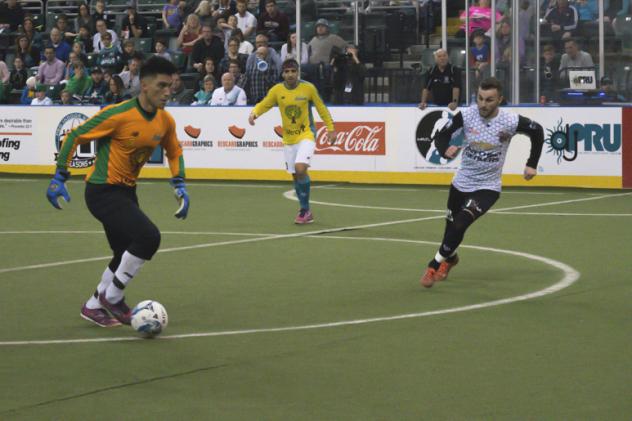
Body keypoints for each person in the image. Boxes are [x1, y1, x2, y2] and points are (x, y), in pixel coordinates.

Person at [45, 56, 189, 327]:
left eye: (171, 86)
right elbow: (75, 135)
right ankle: (113, 297)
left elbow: (174, 150)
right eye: (162, 85)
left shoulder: (165, 120)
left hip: (127, 192)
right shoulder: (118, 114)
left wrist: (179, 182)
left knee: (124, 251)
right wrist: (60, 175)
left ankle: (92, 306)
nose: (168, 92)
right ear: (144, 86)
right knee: (149, 237)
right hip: (102, 191)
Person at [420, 77, 544, 288]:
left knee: (461, 223)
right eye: (480, 98)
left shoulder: (510, 121)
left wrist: (532, 163)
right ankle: (451, 259)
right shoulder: (467, 115)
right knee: (452, 229)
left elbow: (537, 131)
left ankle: (433, 265)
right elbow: (441, 136)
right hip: (461, 182)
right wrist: (444, 149)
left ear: (500, 100)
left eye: (489, 100)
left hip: (488, 187)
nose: (483, 104)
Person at [248, 59, 336, 224]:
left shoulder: (308, 88)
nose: (290, 75)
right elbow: (265, 104)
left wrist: (331, 128)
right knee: (296, 175)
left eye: (293, 71)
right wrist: (254, 113)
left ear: (298, 73)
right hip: (288, 139)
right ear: (282, 74)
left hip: (306, 134)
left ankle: (304, 210)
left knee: (300, 168)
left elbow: (321, 108)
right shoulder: (277, 90)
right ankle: (305, 210)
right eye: (287, 72)